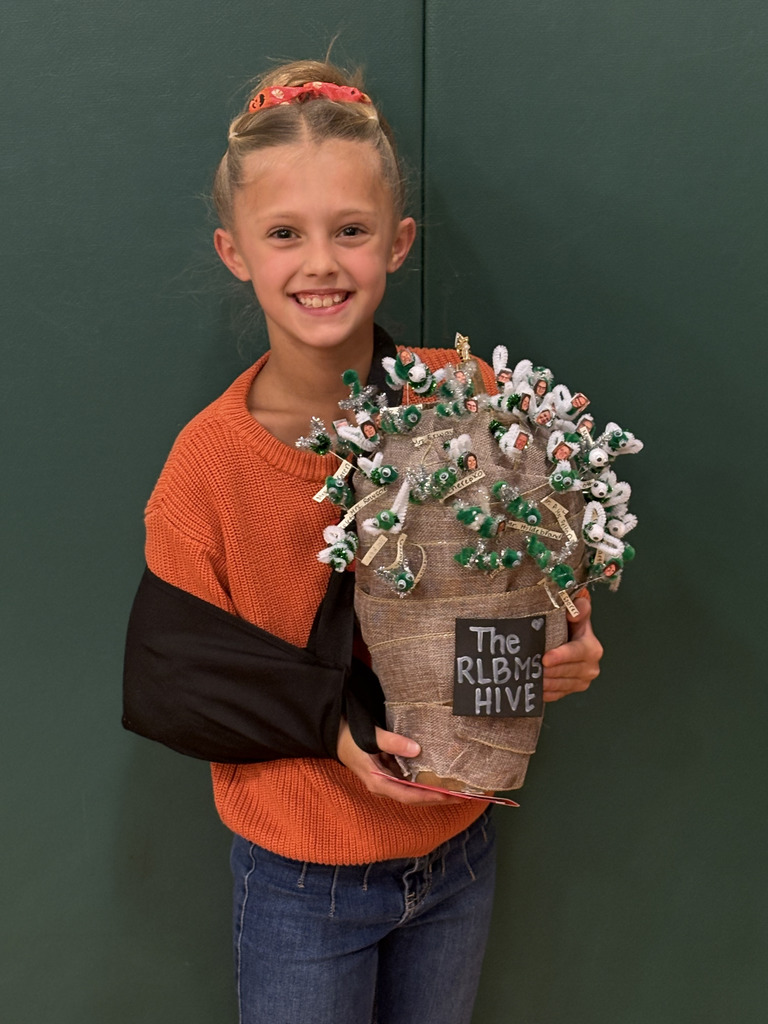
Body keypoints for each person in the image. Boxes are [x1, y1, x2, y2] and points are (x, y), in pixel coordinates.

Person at [127, 59, 603, 1024]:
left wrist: (555, 649)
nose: (322, 264)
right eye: (284, 234)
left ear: (399, 241)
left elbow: (501, 590)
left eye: (351, 231)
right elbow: (176, 672)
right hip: (304, 882)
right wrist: (329, 727)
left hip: (458, 849)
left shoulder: (468, 401)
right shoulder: (208, 468)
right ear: (234, 250)